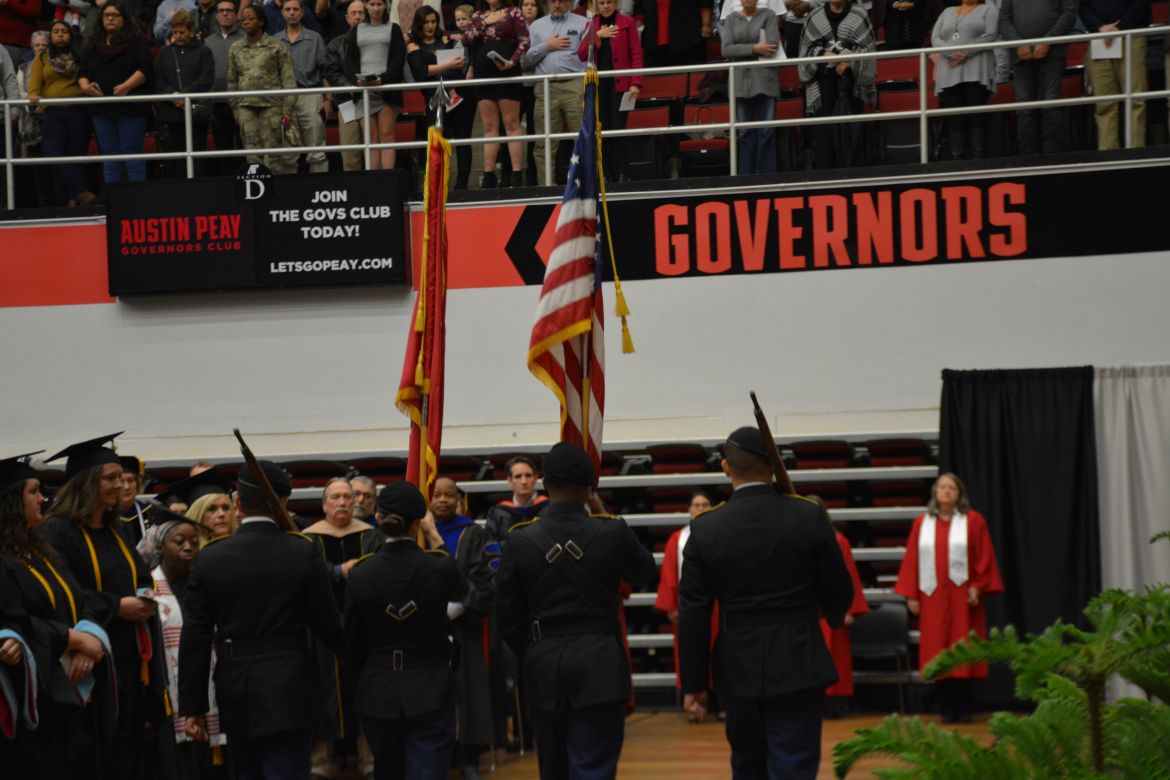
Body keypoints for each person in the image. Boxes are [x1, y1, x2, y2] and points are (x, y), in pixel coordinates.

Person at [678, 426, 854, 780]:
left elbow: (693, 613)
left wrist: (694, 683)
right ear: (774, 466)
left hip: (736, 664)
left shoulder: (706, 528)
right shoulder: (808, 515)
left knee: (747, 763)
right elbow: (839, 588)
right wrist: (831, 616)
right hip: (798, 656)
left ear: (726, 467)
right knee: (795, 762)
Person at [495, 442, 657, 780]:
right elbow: (643, 573)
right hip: (600, 660)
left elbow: (507, 616)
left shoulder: (519, 540)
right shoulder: (612, 532)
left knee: (552, 767)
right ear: (590, 487)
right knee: (594, 764)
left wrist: (537, 648)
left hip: (543, 663)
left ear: (544, 482)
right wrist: (600, 511)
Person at [178, 460, 344, 780]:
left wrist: (192, 707)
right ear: (283, 501)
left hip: (236, 686)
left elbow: (195, 636)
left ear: (238, 503)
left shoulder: (211, 556)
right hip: (290, 684)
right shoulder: (302, 550)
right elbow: (328, 625)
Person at [40, 433, 162, 780]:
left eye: (121, 477)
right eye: (110, 478)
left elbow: (141, 575)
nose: (120, 485)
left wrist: (145, 597)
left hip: (128, 660)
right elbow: (62, 594)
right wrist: (116, 606)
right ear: (87, 482)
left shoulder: (115, 530)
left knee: (128, 750)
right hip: (88, 662)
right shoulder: (56, 532)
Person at [343, 481, 466, 780]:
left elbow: (352, 642)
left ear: (378, 518)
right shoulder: (439, 566)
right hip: (430, 687)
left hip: (379, 689)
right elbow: (463, 593)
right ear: (418, 522)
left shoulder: (360, 573)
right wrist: (436, 539)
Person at [0, 453, 109, 780]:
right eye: (34, 491)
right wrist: (72, 639)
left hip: (70, 681)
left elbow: (80, 597)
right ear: (10, 501)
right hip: (36, 693)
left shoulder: (42, 550)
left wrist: (89, 639)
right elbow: (14, 620)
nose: (43, 499)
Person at [894, 472, 1004, 723]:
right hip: (932, 597)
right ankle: (945, 707)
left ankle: (964, 707)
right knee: (938, 649)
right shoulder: (922, 523)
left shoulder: (973, 521)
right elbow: (912, 559)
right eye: (942, 487)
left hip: (962, 598)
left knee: (962, 647)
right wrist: (911, 595)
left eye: (951, 488)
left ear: (959, 494)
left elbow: (984, 555)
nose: (946, 491)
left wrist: (978, 585)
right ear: (935, 492)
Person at [137, 511, 229, 780]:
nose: (189, 547)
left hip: (211, 691)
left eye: (194, 542)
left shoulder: (205, 585)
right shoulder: (148, 591)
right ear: (159, 548)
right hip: (167, 699)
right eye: (179, 542)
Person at [301, 476, 379, 780]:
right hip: (321, 629)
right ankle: (320, 761)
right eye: (335, 497)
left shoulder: (371, 536)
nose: (344, 502)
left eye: (348, 496)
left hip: (365, 627)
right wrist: (336, 571)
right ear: (324, 505)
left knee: (366, 691)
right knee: (322, 693)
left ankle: (369, 759)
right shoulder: (308, 538)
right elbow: (304, 577)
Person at [429, 477, 497, 780]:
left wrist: (459, 606)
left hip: (463, 626)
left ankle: (467, 757)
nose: (443, 500)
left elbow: (488, 579)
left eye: (449, 495)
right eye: (437, 494)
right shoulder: (416, 532)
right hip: (424, 628)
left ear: (459, 500)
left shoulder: (475, 533)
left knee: (468, 690)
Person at [654, 490, 720, 715]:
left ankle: (721, 701)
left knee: (720, 652)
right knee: (690, 653)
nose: (700, 509)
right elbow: (670, 574)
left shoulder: (720, 533)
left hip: (718, 607)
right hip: (689, 608)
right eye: (696, 505)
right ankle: (694, 700)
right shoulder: (678, 538)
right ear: (689, 509)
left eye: (705, 504)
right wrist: (672, 606)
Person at [807, 495, 868, 719]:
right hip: (806, 609)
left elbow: (849, 576)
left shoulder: (838, 540)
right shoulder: (795, 538)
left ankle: (834, 703)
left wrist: (849, 609)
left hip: (832, 609)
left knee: (835, 656)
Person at [79, 3, 153, 184]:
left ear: (124, 18)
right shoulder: (93, 42)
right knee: (109, 154)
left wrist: (127, 86)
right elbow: (82, 72)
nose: (110, 19)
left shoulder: (136, 40)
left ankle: (138, 196)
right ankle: (113, 196)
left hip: (130, 106)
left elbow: (145, 68)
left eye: (115, 15)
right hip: (101, 107)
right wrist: (86, 87)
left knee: (132, 152)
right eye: (106, 15)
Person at [27, 20, 98, 207]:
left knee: (77, 155)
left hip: (78, 110)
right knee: (52, 153)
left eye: (64, 32)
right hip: (53, 111)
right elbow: (35, 82)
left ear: (71, 36)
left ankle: (74, 201)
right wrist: (33, 95)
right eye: (56, 32)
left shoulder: (80, 55)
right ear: (50, 36)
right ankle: (81, 192)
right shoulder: (42, 57)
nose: (60, 35)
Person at [460, 0, 530, 189]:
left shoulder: (513, 12)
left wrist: (512, 62)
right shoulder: (478, 16)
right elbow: (466, 39)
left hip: (507, 72)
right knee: (489, 126)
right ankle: (489, 175)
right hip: (484, 75)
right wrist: (484, 22)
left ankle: (516, 174)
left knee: (511, 123)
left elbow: (525, 41)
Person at [798, 0, 875, 169]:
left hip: (852, 86)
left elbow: (867, 51)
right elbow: (805, 53)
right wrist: (822, 54)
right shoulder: (815, 17)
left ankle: (854, 175)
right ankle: (826, 176)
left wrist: (850, 61)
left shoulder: (859, 14)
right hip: (822, 88)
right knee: (824, 139)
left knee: (852, 137)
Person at [520, 0, 585, 186]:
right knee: (544, 143)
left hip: (574, 85)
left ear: (569, 2)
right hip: (546, 87)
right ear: (548, 3)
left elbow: (590, 56)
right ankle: (546, 188)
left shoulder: (583, 23)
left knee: (584, 139)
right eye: (553, 1)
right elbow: (526, 61)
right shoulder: (536, 26)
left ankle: (587, 187)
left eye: (562, 1)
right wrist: (547, 46)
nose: (557, 4)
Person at [998, 0, 1075, 155]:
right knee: (1024, 107)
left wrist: (1048, 41)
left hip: (1053, 53)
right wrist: (1018, 44)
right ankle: (1028, 157)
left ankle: (1052, 156)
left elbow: (1069, 13)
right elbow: (1003, 20)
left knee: (1051, 103)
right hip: (1021, 56)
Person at [406, 5, 473, 185]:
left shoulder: (446, 38)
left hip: (461, 93)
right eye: (426, 22)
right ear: (418, 24)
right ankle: (439, 186)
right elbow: (420, 72)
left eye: (433, 21)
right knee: (437, 143)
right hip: (435, 98)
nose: (430, 25)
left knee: (463, 140)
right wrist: (448, 65)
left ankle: (462, 186)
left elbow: (464, 54)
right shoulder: (413, 45)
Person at [227, 4, 298, 173]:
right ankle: (256, 187)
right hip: (246, 107)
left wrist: (287, 110)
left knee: (273, 155)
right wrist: (236, 110)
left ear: (261, 21)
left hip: (272, 106)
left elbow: (288, 80)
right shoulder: (235, 48)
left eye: (250, 18)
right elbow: (232, 81)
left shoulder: (277, 46)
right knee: (252, 154)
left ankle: (275, 188)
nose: (246, 22)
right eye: (243, 19)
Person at [577, 0, 640, 181]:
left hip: (622, 85)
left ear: (616, 4)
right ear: (597, 6)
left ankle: (623, 173)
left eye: (609, 2)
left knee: (618, 128)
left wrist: (636, 83)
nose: (606, 6)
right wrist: (597, 35)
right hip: (599, 86)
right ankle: (606, 174)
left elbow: (636, 54)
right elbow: (582, 54)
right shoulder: (591, 25)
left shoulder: (627, 22)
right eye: (602, 3)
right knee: (602, 129)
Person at [342, 0, 406, 171]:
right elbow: (349, 60)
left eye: (379, 4)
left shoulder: (394, 28)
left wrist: (383, 79)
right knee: (370, 138)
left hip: (386, 89)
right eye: (372, 4)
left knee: (386, 134)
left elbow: (399, 58)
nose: (376, 8)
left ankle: (387, 178)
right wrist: (356, 79)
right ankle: (373, 179)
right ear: (366, 5)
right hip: (364, 89)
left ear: (385, 5)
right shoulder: (357, 29)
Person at [931, 0, 999, 159]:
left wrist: (965, 53)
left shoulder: (988, 10)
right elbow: (935, 38)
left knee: (976, 117)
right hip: (949, 70)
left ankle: (978, 158)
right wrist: (952, 53)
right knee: (954, 118)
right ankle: (957, 159)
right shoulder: (947, 11)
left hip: (977, 70)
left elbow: (991, 35)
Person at [720, 0, 781, 175]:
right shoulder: (730, 19)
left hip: (765, 79)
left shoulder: (768, 15)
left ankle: (766, 176)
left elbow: (772, 45)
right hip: (739, 81)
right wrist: (754, 48)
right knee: (744, 132)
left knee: (767, 131)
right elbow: (726, 50)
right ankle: (745, 176)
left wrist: (740, 48)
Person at [1079, 0, 1149, 150]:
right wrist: (1099, 27)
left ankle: (1136, 150)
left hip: (1132, 35)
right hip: (1099, 38)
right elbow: (1082, 5)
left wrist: (1119, 28)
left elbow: (1141, 3)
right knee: (1104, 103)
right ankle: (1107, 151)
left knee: (1135, 99)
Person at [156, 10, 216, 178]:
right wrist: (172, 95)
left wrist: (184, 95)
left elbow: (206, 78)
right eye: (175, 32)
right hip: (171, 114)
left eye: (182, 32)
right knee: (174, 158)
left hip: (196, 113)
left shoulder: (204, 51)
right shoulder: (165, 52)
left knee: (197, 156)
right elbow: (158, 79)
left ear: (191, 31)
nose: (178, 36)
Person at [276, 0, 330, 173]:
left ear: (302, 12)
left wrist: (328, 99)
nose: (292, 12)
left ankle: (320, 187)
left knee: (317, 151)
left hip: (310, 94)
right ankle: (288, 189)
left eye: (295, 9)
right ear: (282, 13)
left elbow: (325, 71)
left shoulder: (314, 38)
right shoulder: (274, 41)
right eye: (288, 9)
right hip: (283, 99)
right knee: (286, 154)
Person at [325, 0, 367, 172]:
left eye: (361, 13)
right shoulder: (336, 44)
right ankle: (354, 187)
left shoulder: (379, 42)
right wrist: (353, 87)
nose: (358, 17)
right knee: (350, 153)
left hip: (374, 99)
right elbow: (331, 73)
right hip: (347, 101)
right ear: (347, 18)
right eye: (354, 14)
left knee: (376, 149)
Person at [204, 0, 245, 175]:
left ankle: (246, 180)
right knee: (223, 147)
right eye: (221, 11)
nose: (225, 14)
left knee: (244, 146)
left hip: (242, 102)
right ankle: (227, 183)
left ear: (236, 14)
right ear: (216, 15)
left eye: (229, 10)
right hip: (216, 101)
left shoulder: (246, 38)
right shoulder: (207, 42)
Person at [164, 467, 238, 543]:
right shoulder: (188, 549)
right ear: (197, 515)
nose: (222, 514)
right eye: (212, 509)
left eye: (225, 508)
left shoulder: (241, 546)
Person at [635, 0, 712, 67]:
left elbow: (705, 3)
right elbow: (639, 12)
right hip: (653, 45)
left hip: (688, 42)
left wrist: (706, 25)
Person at [116, 455, 157, 548]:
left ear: (137, 484)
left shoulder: (150, 512)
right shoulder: (103, 516)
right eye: (121, 481)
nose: (126, 487)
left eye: (130, 480)